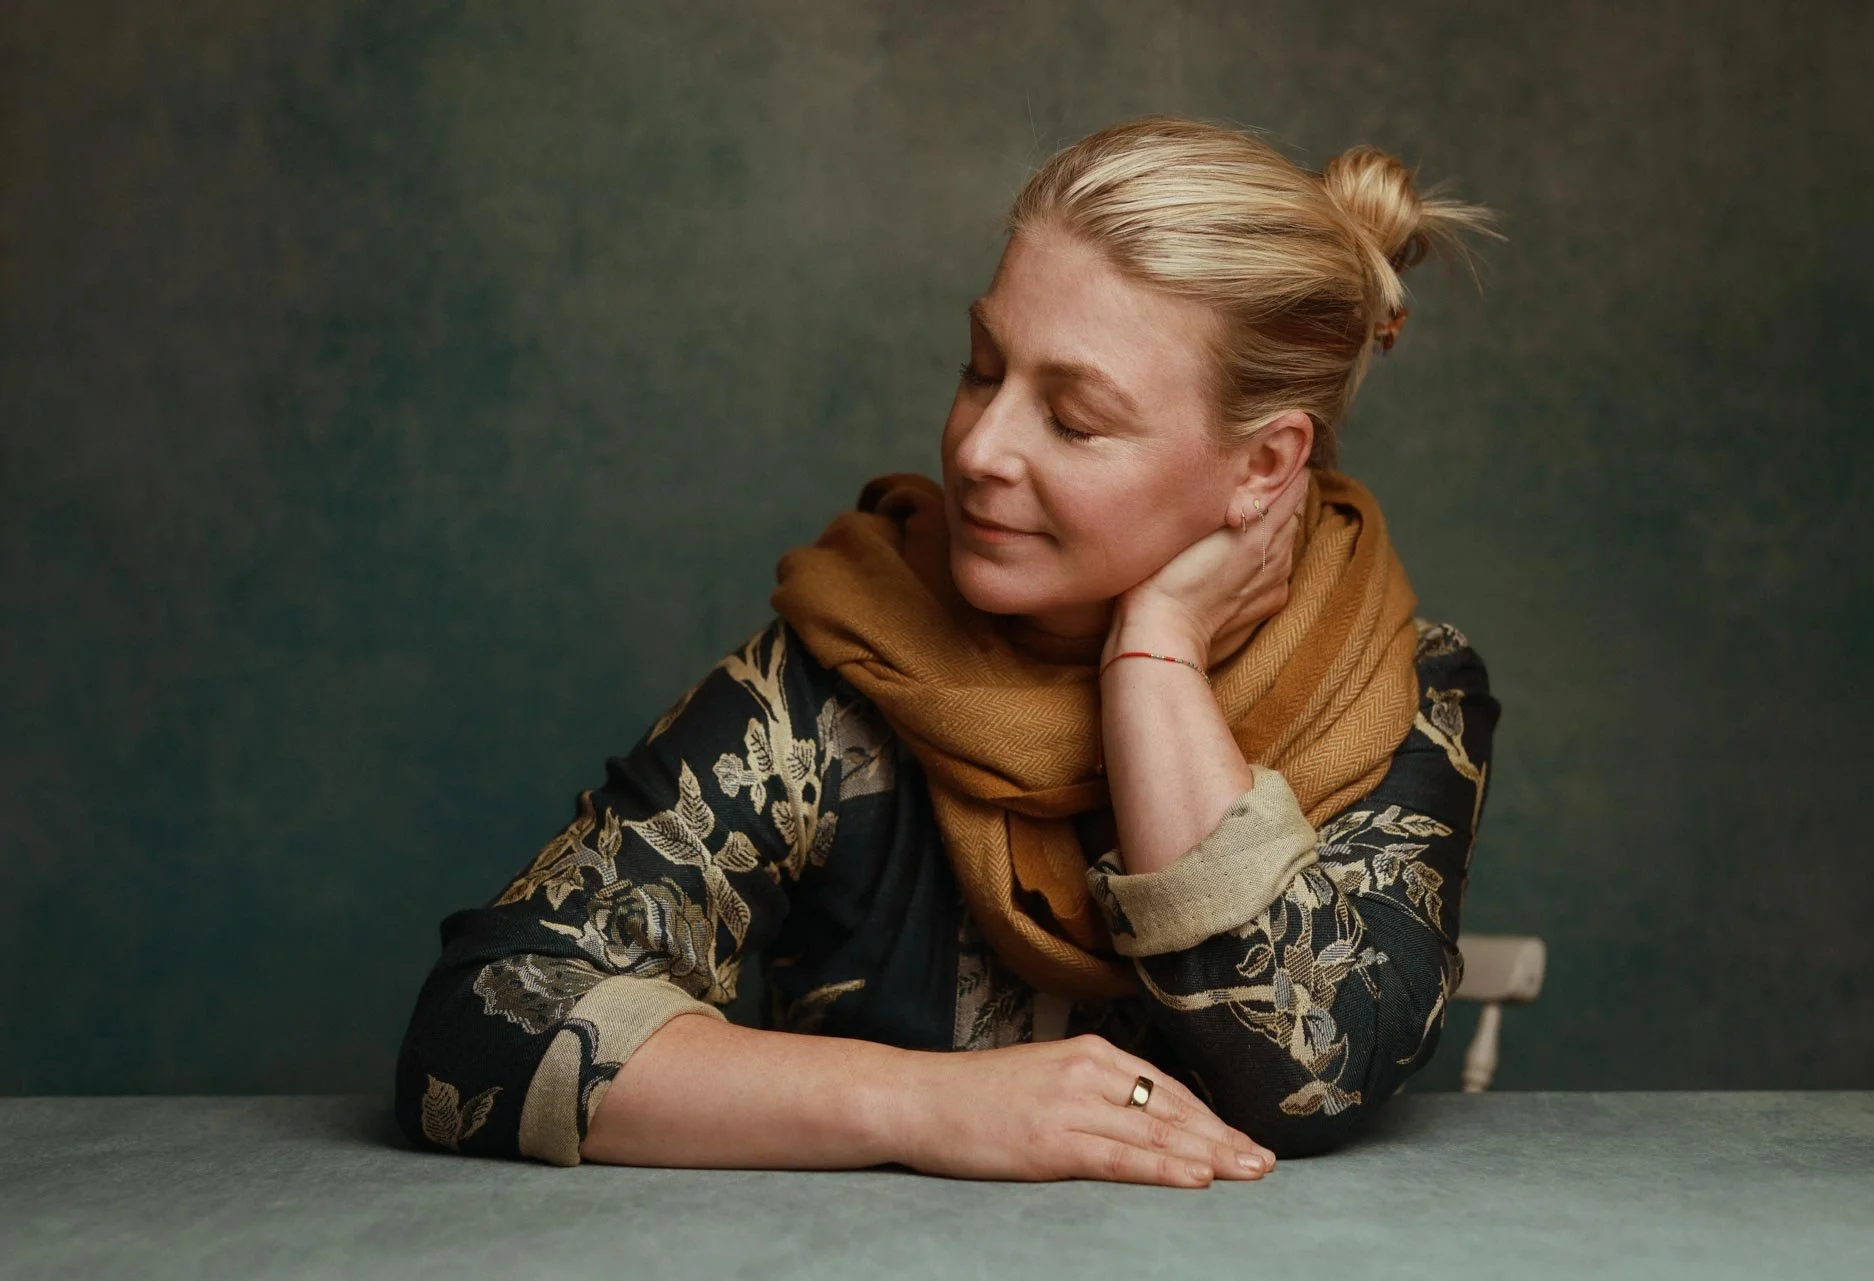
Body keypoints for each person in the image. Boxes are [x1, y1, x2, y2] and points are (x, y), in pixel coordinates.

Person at [392, 115, 1503, 1189]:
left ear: (1266, 467)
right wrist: (926, 1105)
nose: (978, 448)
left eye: (1073, 421)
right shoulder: (845, 669)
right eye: (982, 367)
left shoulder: (1401, 692)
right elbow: (480, 1027)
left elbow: (1310, 1075)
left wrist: (1155, 654)